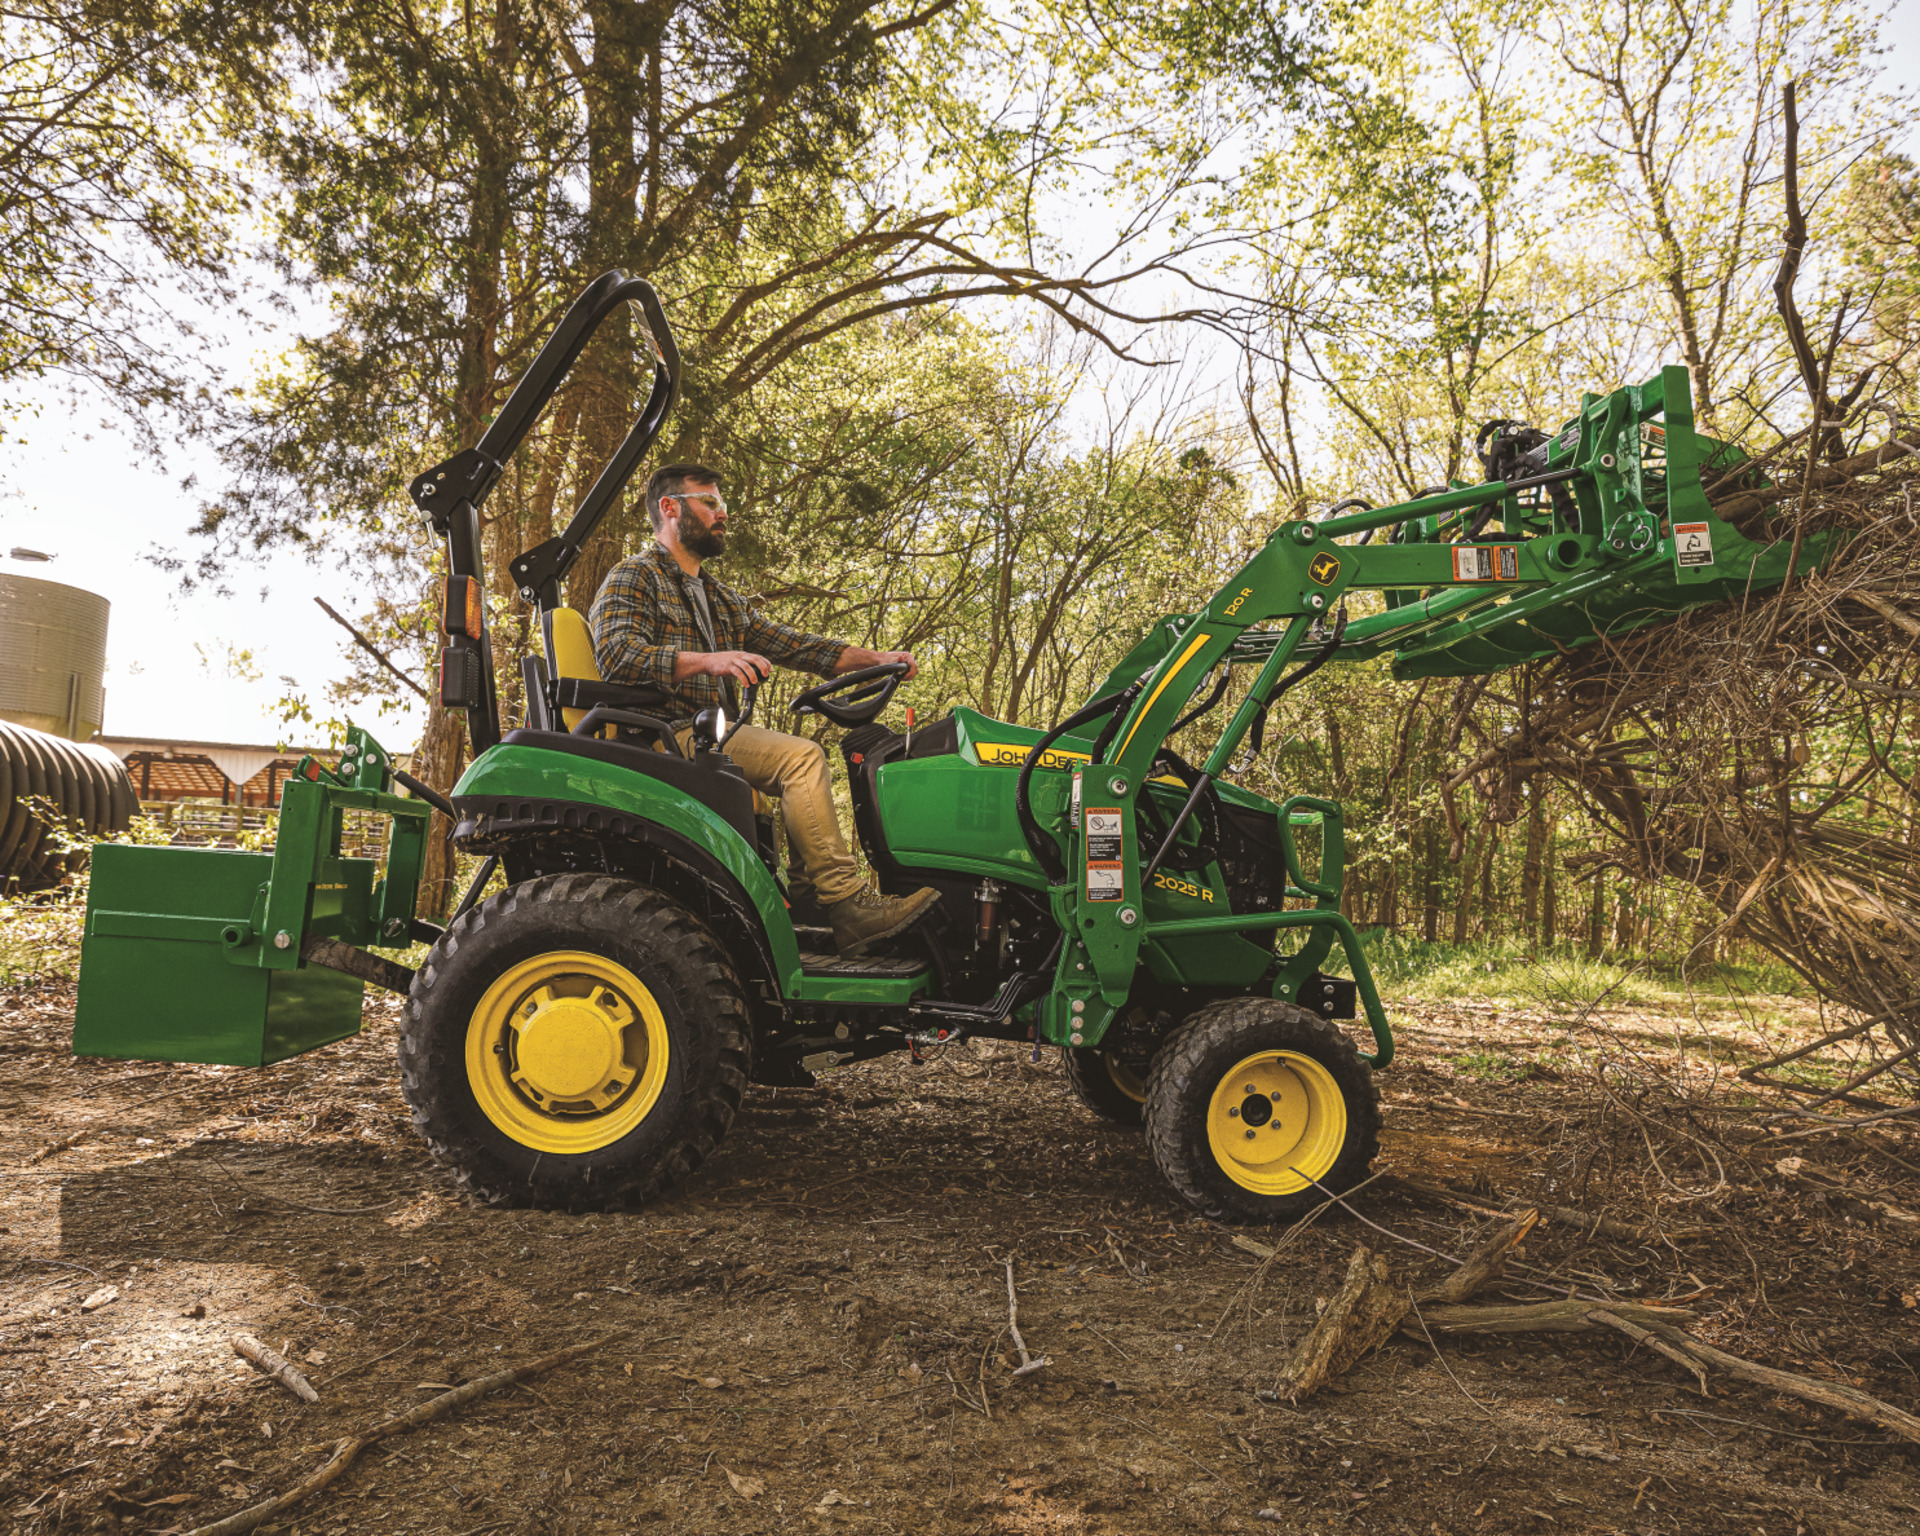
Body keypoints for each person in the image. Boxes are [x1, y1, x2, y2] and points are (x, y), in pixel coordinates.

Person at [590, 463, 941, 955]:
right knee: (799, 758)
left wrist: (880, 660)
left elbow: (804, 648)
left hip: (711, 736)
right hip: (661, 735)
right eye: (709, 503)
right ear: (670, 509)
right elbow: (619, 656)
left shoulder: (718, 598)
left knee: (805, 759)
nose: (723, 513)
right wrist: (709, 661)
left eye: (723, 503)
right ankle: (846, 903)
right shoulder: (635, 576)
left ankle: (809, 903)